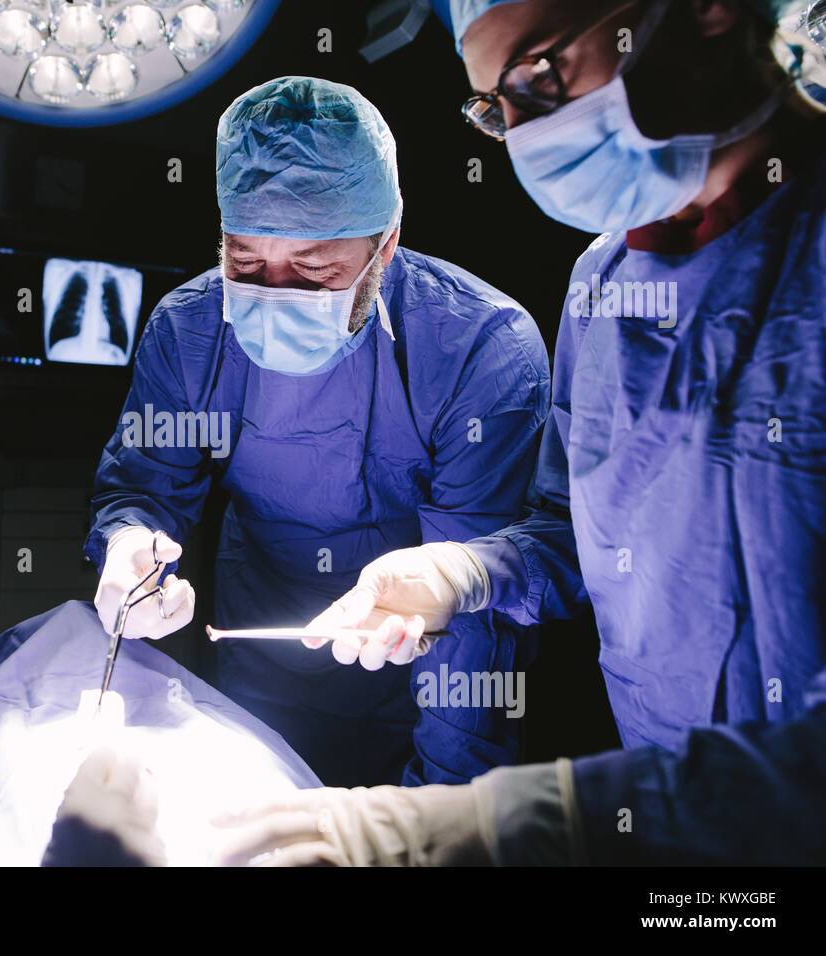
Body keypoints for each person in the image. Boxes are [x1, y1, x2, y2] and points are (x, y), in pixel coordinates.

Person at [215, 0, 826, 864]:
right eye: (497, 110)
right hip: (682, 831)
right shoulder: (606, 283)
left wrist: (535, 819)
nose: (530, 138)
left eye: (539, 76)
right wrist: (461, 573)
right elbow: (575, 532)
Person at [86, 76, 551, 787]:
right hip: (260, 653)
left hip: (427, 659)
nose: (275, 294)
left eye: (315, 270)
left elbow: (472, 607)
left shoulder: (480, 349)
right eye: (246, 262)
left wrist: (446, 805)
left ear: (386, 246)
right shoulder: (188, 330)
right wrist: (129, 545)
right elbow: (144, 487)